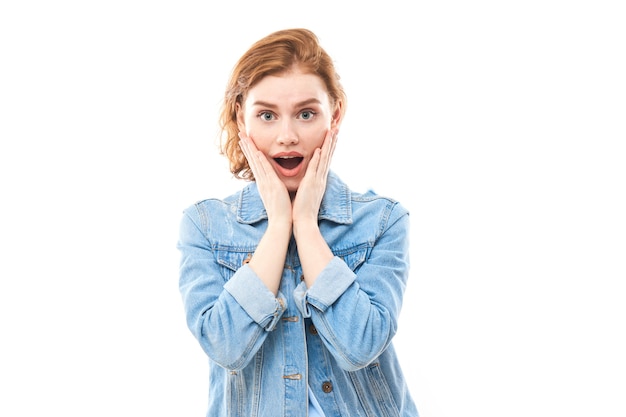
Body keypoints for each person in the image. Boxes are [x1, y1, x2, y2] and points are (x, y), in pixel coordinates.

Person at [177, 28, 419, 417]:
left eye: (306, 114)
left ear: (334, 115)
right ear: (242, 116)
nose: (287, 136)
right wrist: (277, 228)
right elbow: (226, 347)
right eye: (267, 115)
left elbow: (360, 345)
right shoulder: (206, 226)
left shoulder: (382, 221)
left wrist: (305, 224)